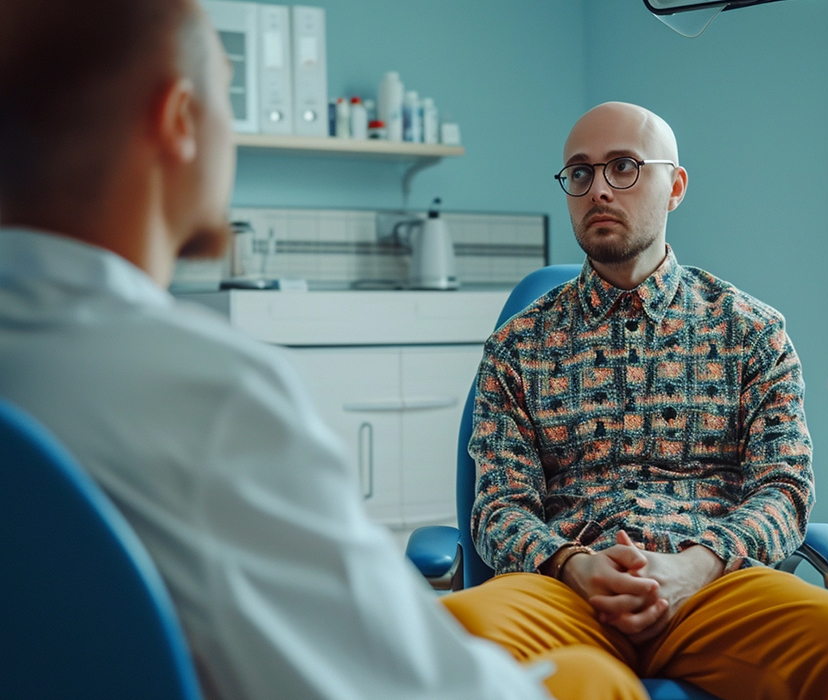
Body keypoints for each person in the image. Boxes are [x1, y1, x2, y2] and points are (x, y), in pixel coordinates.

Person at [0, 3, 647, 699]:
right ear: (180, 119)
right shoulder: (206, 395)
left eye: (625, 167)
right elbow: (412, 684)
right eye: (225, 92)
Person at [441, 102, 828, 699]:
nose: (599, 188)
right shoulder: (517, 347)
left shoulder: (750, 331)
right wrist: (574, 565)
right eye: (580, 173)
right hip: (566, 592)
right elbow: (498, 508)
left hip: (712, 588)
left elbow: (784, 490)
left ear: (675, 186)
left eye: (624, 166)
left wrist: (692, 567)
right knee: (442, 637)